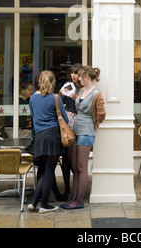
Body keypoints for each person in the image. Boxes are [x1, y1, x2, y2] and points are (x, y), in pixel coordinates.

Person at [60, 66, 106, 210]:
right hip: (76, 130)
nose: (78, 78)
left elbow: (102, 114)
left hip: (86, 132)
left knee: (81, 167)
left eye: (80, 76)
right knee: (74, 165)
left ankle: (78, 200)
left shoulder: (96, 94)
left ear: (86, 76)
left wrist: (95, 125)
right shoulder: (81, 91)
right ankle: (74, 197)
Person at [28, 70, 69, 213]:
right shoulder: (55, 98)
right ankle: (44, 205)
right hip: (52, 137)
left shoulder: (32, 98)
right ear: (53, 83)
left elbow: (33, 118)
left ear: (39, 82)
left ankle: (34, 202)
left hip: (39, 137)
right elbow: (66, 119)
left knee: (44, 170)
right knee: (49, 171)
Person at [59, 63, 83, 197]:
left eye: (76, 73)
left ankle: (77, 189)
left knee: (78, 158)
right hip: (69, 122)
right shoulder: (68, 86)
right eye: (72, 73)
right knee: (67, 157)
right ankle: (68, 189)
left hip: (81, 123)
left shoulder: (85, 87)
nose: (73, 75)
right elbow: (58, 100)